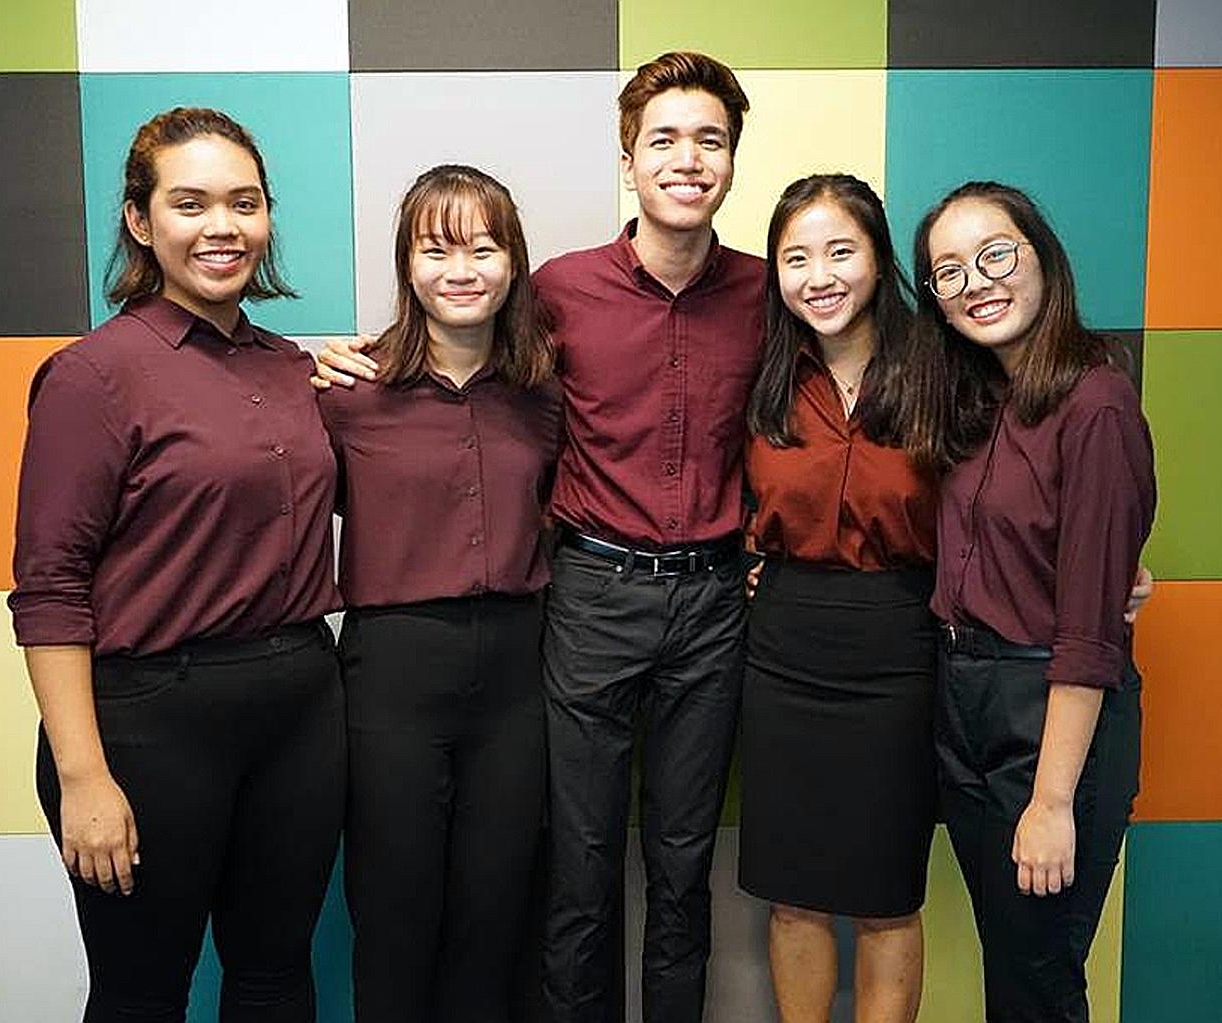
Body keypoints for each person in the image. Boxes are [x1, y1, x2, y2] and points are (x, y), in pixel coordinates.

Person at [314, 51, 763, 1023]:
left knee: (679, 868)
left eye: (710, 140)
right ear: (628, 158)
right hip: (586, 601)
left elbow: (849, 404)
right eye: (664, 140)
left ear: (731, 158)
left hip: (705, 603)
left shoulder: (768, 296)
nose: (687, 159)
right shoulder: (557, 297)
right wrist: (333, 362)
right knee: (574, 868)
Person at [9, 107, 345, 1022]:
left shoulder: (293, 369)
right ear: (139, 221)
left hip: (300, 710)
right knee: (140, 992)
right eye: (190, 203)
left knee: (276, 975)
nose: (222, 227)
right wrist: (84, 777)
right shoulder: (92, 376)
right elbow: (47, 589)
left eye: (244, 202)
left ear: (269, 215)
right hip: (148, 723)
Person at [318, 165, 560, 1023]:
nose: (462, 269)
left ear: (513, 261)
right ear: (407, 264)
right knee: (394, 913)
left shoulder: (546, 393)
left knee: (497, 913)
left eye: (483, 247)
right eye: (436, 248)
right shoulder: (346, 393)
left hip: (517, 675)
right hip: (392, 672)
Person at [913, 181, 1155, 1023]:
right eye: (948, 272)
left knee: (1038, 985)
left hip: (1050, 720)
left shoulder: (1096, 404)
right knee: (1013, 970)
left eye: (995, 254)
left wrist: (1051, 800)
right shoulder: (976, 400)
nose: (975, 281)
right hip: (965, 703)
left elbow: (1089, 632)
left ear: (1042, 258)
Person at [739, 173, 941, 1023]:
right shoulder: (762, 372)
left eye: (840, 251)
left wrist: (1108, 563)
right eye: (795, 257)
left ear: (879, 257)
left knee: (885, 894)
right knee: (794, 895)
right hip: (783, 647)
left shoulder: (943, 363)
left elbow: (1020, 481)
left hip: (900, 647)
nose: (818, 275)